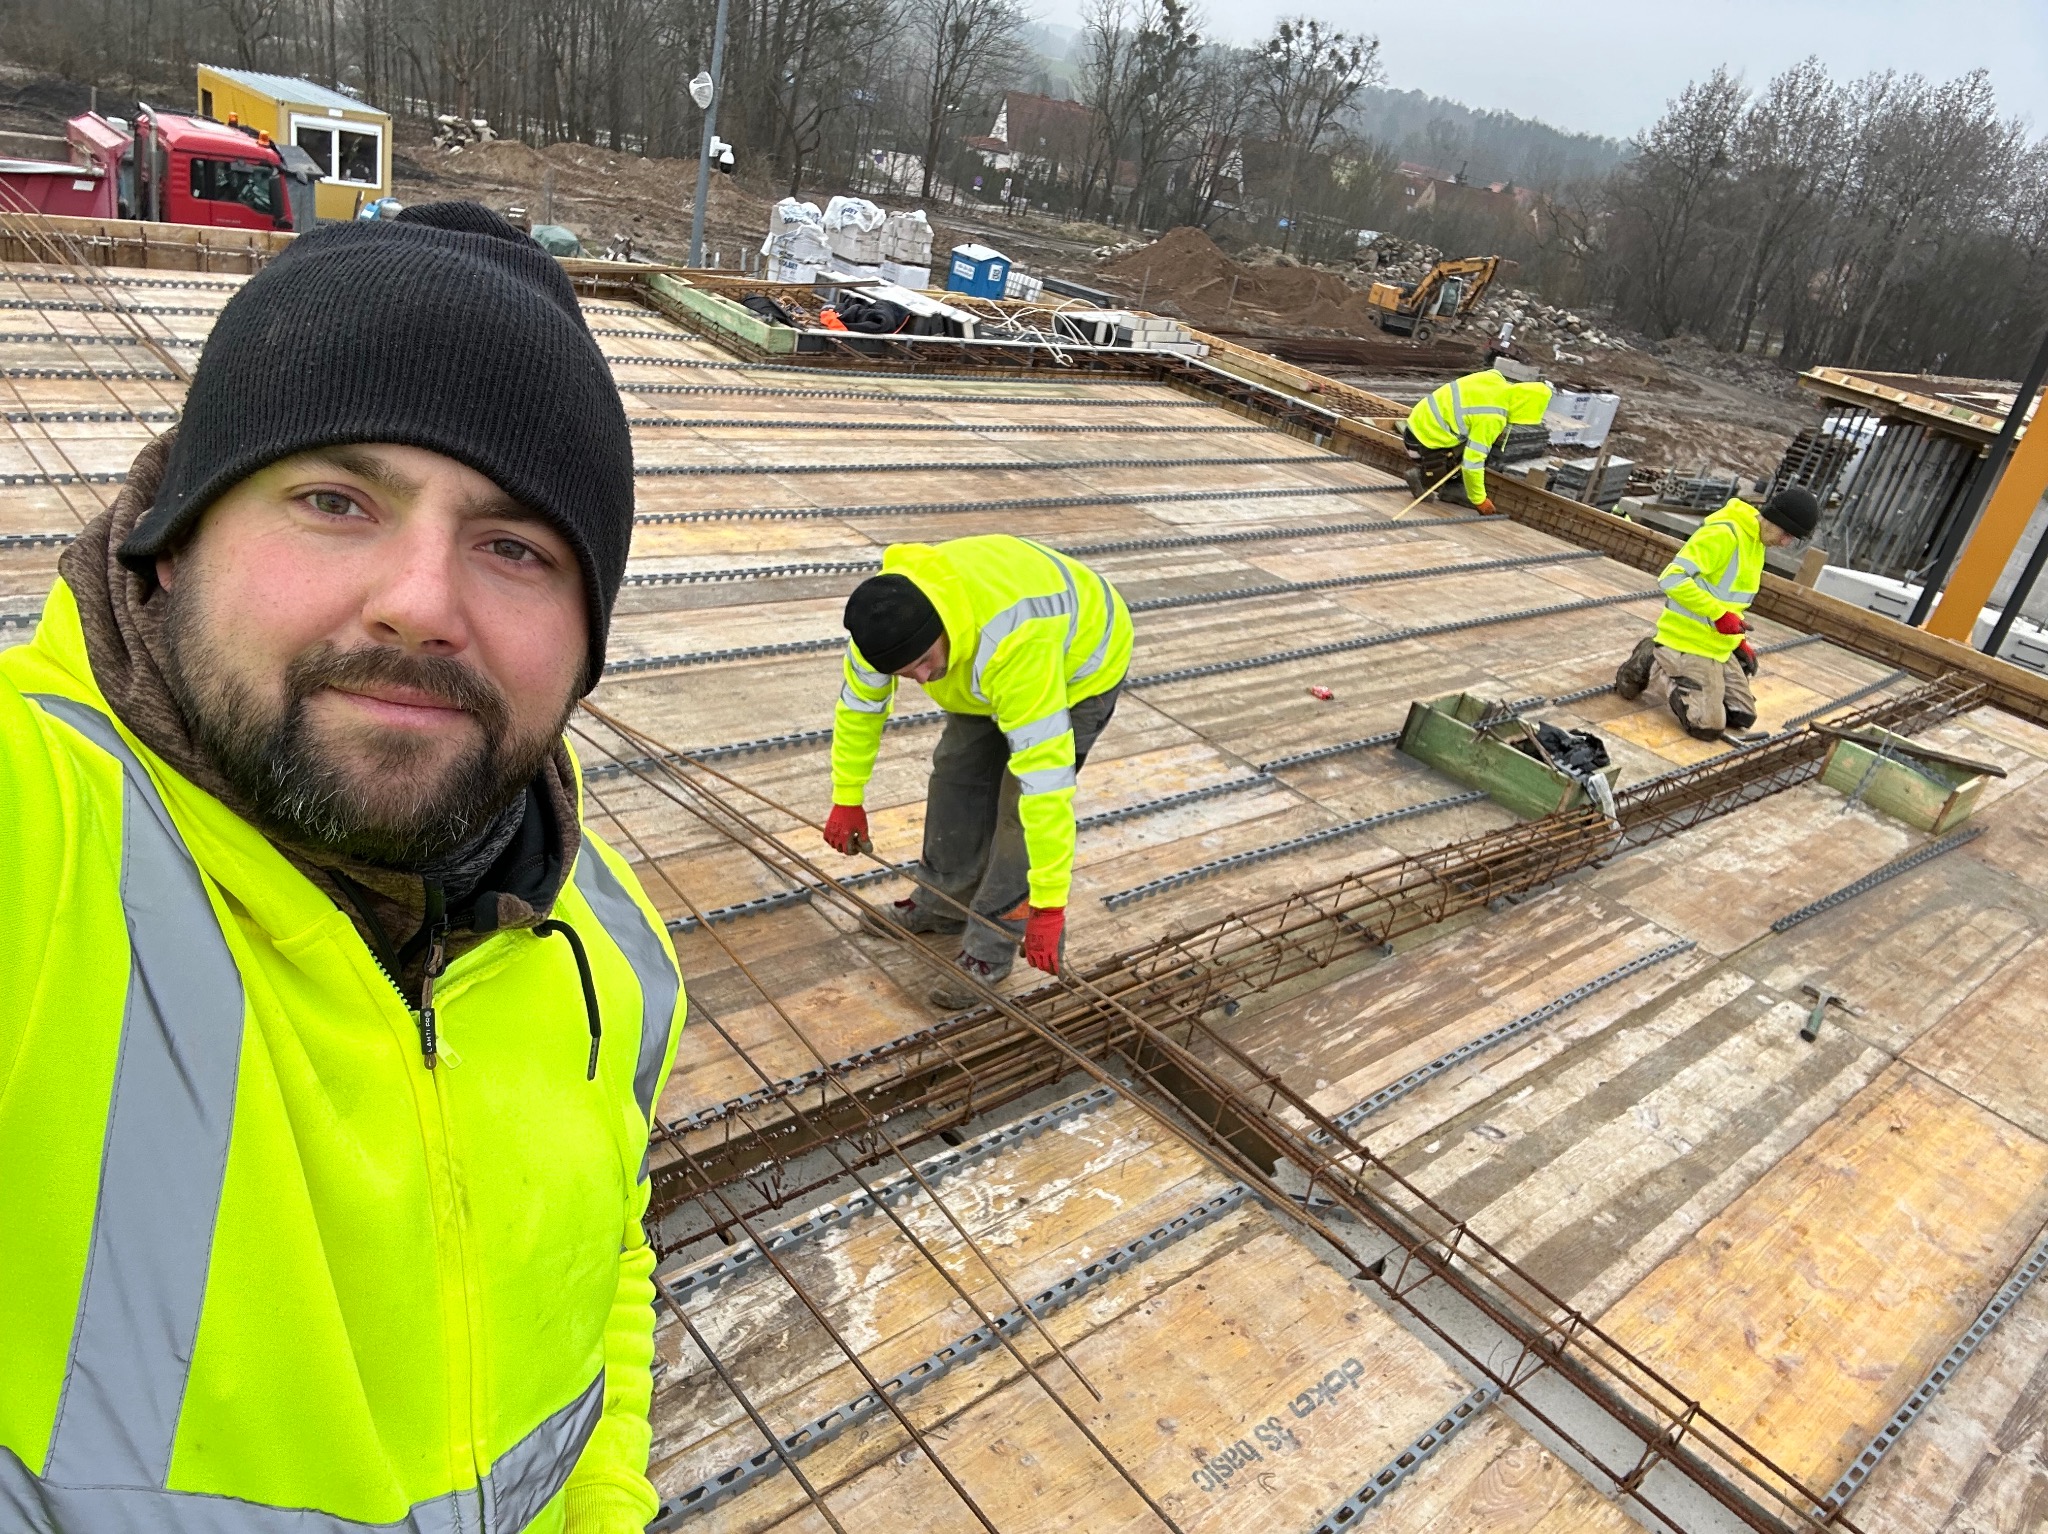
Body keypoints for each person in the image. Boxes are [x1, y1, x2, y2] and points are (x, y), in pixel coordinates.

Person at [0, 203, 685, 1530]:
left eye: (516, 546)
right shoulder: (47, 844)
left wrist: (606, 1506)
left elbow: (607, 1257)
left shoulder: (610, 950)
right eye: (335, 499)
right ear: (174, 532)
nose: (423, 601)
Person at [822, 536, 1132, 1009]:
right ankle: (942, 903)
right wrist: (847, 796)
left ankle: (992, 943)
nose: (923, 679)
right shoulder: (881, 627)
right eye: (907, 673)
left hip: (1076, 666)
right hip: (979, 663)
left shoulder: (1014, 645)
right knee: (956, 774)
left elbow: (1043, 791)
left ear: (944, 629)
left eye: (924, 662)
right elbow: (859, 712)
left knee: (1016, 812)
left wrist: (1048, 907)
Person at [1615, 486, 1822, 739]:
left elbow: (1731, 601)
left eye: (1792, 538)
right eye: (1786, 533)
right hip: (1686, 640)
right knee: (1707, 726)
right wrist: (1717, 615)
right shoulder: (1724, 534)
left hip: (1716, 644)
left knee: (1741, 716)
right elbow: (1671, 579)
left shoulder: (1756, 543)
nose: (1785, 542)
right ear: (1773, 518)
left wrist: (1739, 641)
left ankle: (1692, 673)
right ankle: (1654, 660)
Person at [1402, 367, 1554, 512]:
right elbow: (1472, 462)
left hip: (1415, 427)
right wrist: (1479, 500)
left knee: (1480, 444)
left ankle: (1453, 488)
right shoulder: (1492, 417)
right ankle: (1423, 478)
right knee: (1480, 451)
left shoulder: (1494, 379)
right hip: (1422, 444)